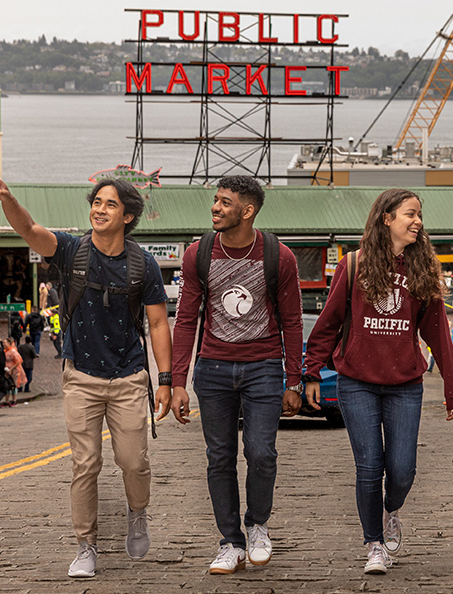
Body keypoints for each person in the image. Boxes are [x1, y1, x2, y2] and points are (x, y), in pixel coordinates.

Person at [0, 171, 177, 579]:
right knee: (85, 464)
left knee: (134, 462)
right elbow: (30, 230)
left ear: (127, 216)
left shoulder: (143, 264)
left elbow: (159, 324)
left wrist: (165, 380)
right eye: (96, 202)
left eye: (110, 204)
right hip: (81, 376)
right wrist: (8, 200)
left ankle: (137, 512)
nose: (99, 209)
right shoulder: (72, 250)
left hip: (128, 377)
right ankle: (85, 545)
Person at [303, 188, 453, 575]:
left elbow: (438, 332)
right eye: (410, 214)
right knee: (370, 466)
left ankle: (391, 510)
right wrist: (311, 372)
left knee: (403, 469)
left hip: (405, 384)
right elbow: (328, 323)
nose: (418, 221)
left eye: (419, 214)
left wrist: (452, 388)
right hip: (356, 382)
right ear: (386, 218)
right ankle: (374, 543)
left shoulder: (423, 270)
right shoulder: (353, 265)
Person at [171, 175, 304, 576]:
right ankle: (230, 542)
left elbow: (292, 321)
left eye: (224, 202)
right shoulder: (198, 254)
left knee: (261, 453)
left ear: (247, 211)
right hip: (212, 369)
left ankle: (257, 525)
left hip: (263, 367)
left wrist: (293, 380)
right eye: (215, 200)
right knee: (219, 457)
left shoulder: (279, 256)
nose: (215, 207)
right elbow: (186, 319)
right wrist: (177, 381)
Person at [2, 337, 26, 405]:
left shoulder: (13, 351)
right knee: (7, 386)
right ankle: (7, 401)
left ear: (9, 343)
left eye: (5, 343)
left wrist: (11, 369)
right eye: (3, 343)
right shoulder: (5, 351)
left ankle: (14, 400)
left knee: (13, 385)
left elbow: (19, 361)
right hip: (7, 371)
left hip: (14, 371)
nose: (3, 344)